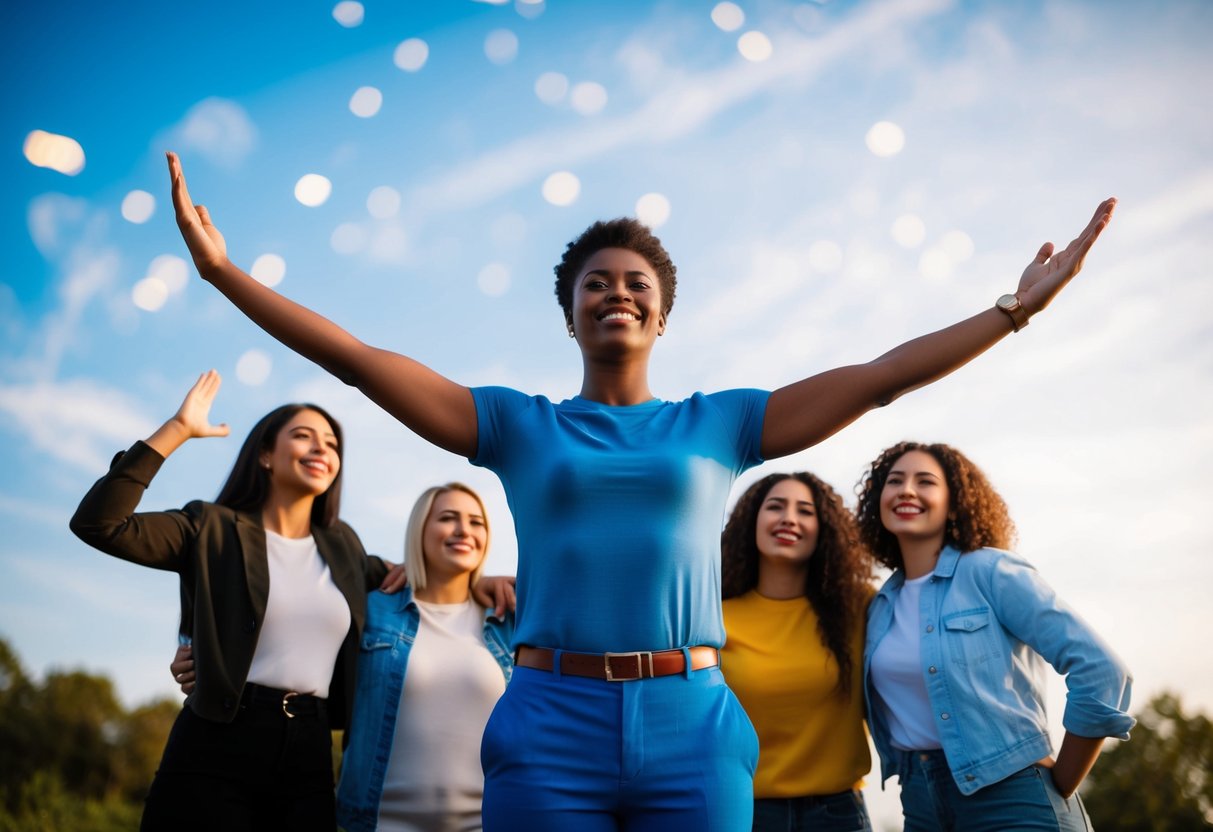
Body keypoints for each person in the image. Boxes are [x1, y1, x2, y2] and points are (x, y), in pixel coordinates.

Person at [167, 149, 1115, 830]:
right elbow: (363, 363)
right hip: (547, 716)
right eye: (593, 283)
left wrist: (1010, 311)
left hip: (691, 721)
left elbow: (878, 375)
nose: (614, 291)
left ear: (662, 314)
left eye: (634, 282)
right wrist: (224, 276)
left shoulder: (722, 422)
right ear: (569, 312)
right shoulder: (513, 423)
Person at [70, 370, 396, 831]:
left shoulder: (345, 547)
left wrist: (486, 583)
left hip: (311, 753)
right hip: (216, 744)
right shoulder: (211, 527)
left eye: (331, 442)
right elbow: (99, 524)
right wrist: (177, 430)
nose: (322, 448)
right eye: (303, 436)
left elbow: (418, 580)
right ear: (265, 454)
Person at [855, 441, 1133, 830]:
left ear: (954, 502)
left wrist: (1063, 782)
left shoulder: (989, 571)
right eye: (894, 481)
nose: (906, 490)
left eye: (926, 481)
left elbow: (1102, 671)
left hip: (1013, 800)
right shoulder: (880, 606)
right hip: (919, 805)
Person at [335, 483, 514, 832]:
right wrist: (195, 649)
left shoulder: (508, 619)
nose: (464, 530)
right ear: (420, 530)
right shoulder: (372, 609)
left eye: (477, 522)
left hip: (488, 823)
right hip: (379, 822)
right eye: (448, 518)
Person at [720, 472, 876, 831]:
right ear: (752, 520)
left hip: (839, 814)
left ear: (824, 529)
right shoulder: (712, 616)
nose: (789, 517)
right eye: (775, 506)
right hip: (742, 813)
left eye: (805, 511)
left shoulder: (858, 608)